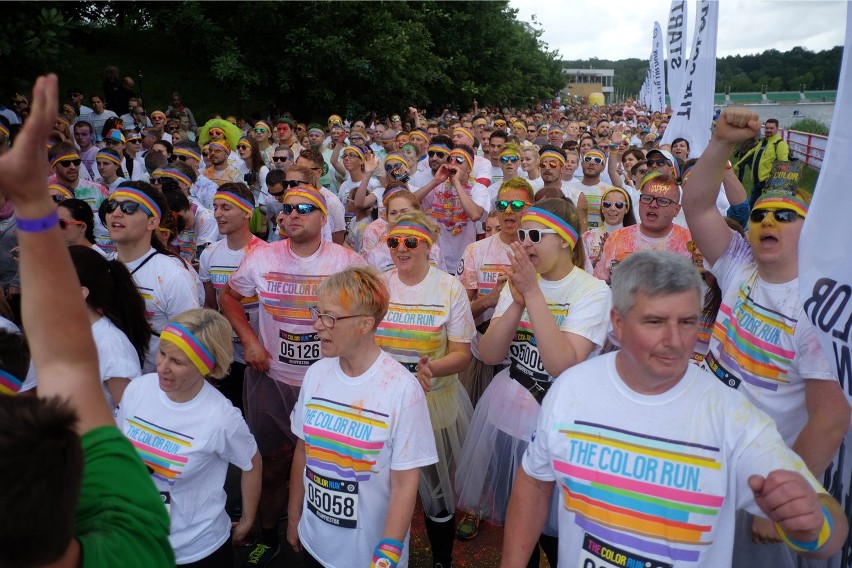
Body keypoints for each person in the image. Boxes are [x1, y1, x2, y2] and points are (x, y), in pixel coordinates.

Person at [499, 251, 848, 568]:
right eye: (655, 321)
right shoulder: (570, 392)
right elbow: (533, 480)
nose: (675, 340)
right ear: (617, 324)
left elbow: (827, 532)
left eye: (687, 322)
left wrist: (815, 523)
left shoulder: (732, 417)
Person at [0, 72, 173, 567]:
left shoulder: (117, 340)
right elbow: (71, 365)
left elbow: (72, 361)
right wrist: (34, 204)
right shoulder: (133, 550)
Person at [682, 107, 849, 567]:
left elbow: (831, 418)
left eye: (783, 215)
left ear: (809, 231)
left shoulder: (818, 310)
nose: (767, 222)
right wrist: (720, 144)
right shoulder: (738, 265)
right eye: (758, 215)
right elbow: (696, 204)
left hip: (758, 476)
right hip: (703, 453)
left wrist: (779, 491)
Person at [456, 198, 612, 568]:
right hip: (505, 418)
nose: (524, 243)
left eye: (535, 235)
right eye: (521, 235)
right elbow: (491, 354)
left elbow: (563, 364)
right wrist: (515, 301)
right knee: (517, 528)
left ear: (565, 240)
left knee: (557, 540)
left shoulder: (593, 291)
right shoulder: (521, 285)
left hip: (559, 426)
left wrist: (533, 294)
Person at [220, 183, 365, 566]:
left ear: (324, 218)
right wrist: (250, 341)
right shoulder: (262, 257)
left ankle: (319, 536)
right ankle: (269, 536)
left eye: (305, 208)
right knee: (272, 468)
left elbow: (370, 315)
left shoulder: (346, 261)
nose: (294, 214)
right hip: (272, 379)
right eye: (288, 208)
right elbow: (228, 297)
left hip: (329, 383)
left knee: (327, 467)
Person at [287, 266, 439, 567]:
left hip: (367, 556)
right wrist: (294, 518)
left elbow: (406, 484)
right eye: (316, 313)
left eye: (329, 317)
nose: (317, 325)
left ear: (365, 324)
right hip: (314, 544)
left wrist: (387, 554)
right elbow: (303, 450)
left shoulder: (402, 390)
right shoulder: (316, 374)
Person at [117, 308, 262, 566]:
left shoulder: (221, 418)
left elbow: (251, 461)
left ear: (205, 366)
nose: (163, 367)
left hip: (196, 549)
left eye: (178, 362)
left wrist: (248, 519)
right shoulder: (138, 390)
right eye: (162, 353)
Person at [374, 211, 475, 568]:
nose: (401, 249)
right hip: (382, 402)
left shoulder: (449, 288)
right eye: (394, 242)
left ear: (427, 247)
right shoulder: (380, 284)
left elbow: (462, 355)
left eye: (410, 242)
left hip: (434, 400)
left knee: (436, 493)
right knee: (383, 487)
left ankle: (441, 561)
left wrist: (430, 368)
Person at [106, 181, 200, 371]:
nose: (116, 213)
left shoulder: (173, 275)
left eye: (129, 208)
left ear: (153, 222)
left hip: (155, 386)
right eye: (111, 206)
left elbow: (190, 342)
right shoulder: (102, 267)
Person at [198, 182, 264, 413]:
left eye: (226, 208)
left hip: (259, 355)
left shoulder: (265, 253)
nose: (218, 214)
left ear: (247, 212)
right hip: (225, 356)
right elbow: (210, 306)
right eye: (215, 207)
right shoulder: (209, 253)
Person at [593, 173, 692, 285]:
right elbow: (599, 285)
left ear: (676, 210)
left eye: (663, 201)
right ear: (639, 202)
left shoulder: (689, 243)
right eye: (647, 198)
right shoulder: (616, 238)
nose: (653, 205)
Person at [412, 145, 489, 274]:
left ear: (469, 168)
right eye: (450, 159)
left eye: (459, 160)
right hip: (437, 261)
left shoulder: (479, 189)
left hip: (465, 261)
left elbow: (475, 215)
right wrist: (435, 181)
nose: (453, 163)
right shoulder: (439, 186)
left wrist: (457, 183)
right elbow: (410, 204)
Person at [735, 118, 790, 207]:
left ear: (777, 129)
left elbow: (783, 165)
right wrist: (736, 167)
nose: (768, 130)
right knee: (753, 206)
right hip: (757, 183)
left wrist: (772, 181)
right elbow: (750, 154)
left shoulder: (780, 144)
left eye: (771, 128)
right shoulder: (763, 142)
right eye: (767, 128)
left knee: (763, 208)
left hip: (768, 185)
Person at [581, 186, 636, 271]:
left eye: (619, 205)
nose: (612, 208)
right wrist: (600, 258)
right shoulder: (587, 237)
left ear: (626, 209)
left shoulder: (635, 238)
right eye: (607, 204)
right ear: (602, 208)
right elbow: (582, 271)